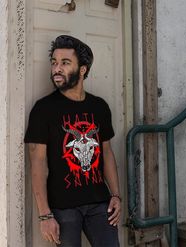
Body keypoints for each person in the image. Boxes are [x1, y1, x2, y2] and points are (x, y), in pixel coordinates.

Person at [24, 35, 121, 247]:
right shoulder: (43, 110)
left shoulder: (99, 107)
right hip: (63, 208)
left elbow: (106, 153)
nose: (57, 68)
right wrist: (44, 215)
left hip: (100, 203)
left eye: (65, 63)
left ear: (83, 69)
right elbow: (38, 163)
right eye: (54, 63)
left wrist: (116, 195)